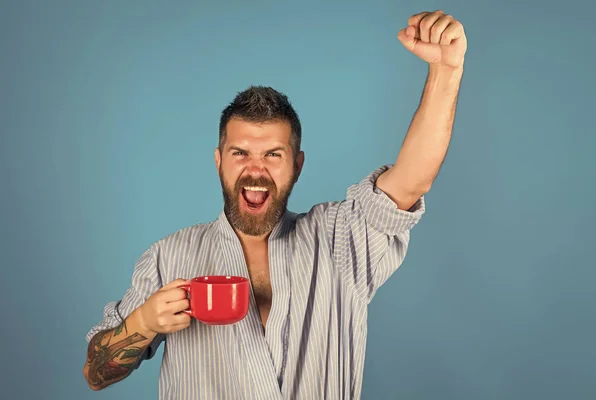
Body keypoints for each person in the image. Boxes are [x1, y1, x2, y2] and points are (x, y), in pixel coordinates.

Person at [83, 10, 466, 399]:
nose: (255, 169)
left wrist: (446, 71)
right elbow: (95, 374)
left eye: (273, 154)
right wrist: (145, 321)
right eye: (240, 153)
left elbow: (413, 179)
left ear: (297, 166)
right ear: (219, 162)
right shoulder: (168, 257)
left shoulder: (340, 240)